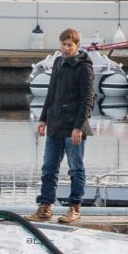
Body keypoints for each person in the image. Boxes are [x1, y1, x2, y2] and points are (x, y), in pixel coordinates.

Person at [34, 27, 95, 224]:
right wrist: (43, 118)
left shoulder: (83, 67)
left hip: (73, 128)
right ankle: (45, 207)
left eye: (70, 45)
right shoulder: (58, 62)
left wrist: (78, 127)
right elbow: (51, 93)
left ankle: (75, 207)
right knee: (48, 168)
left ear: (77, 45)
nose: (66, 48)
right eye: (64, 44)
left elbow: (87, 100)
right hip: (55, 125)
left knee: (76, 168)